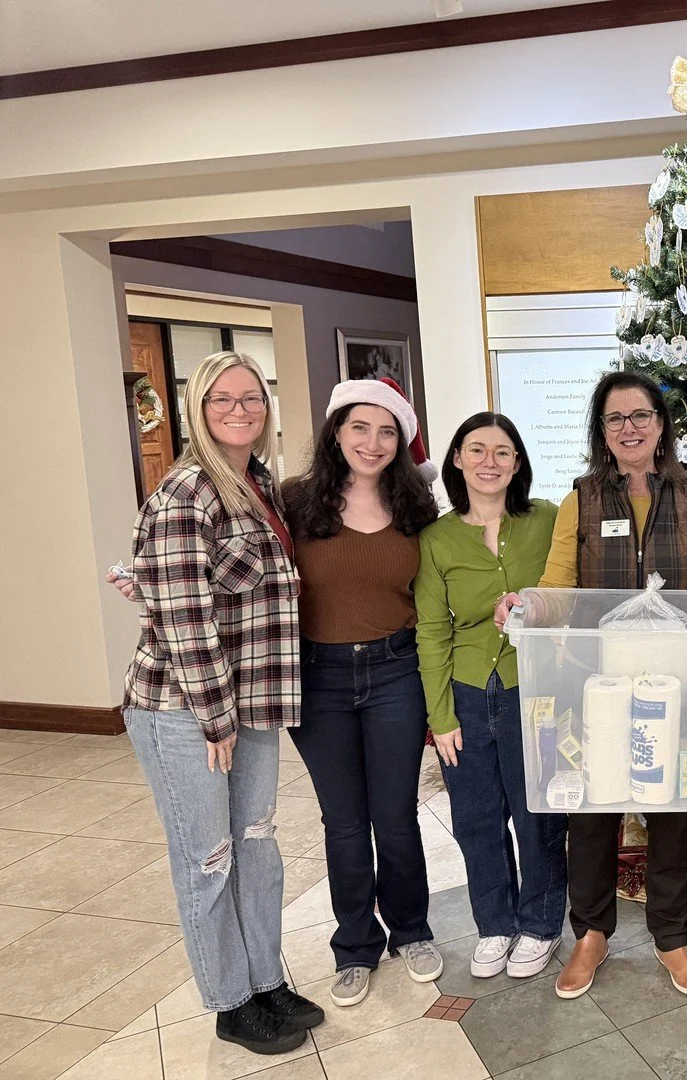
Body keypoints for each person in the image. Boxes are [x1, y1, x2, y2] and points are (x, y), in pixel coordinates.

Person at [497, 371, 687, 999]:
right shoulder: (581, 499)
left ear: (660, 424)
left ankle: (671, 935)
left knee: (671, 810)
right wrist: (528, 606)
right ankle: (592, 934)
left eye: (640, 415)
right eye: (615, 418)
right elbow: (558, 586)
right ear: (602, 431)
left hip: (673, 679)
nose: (629, 428)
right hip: (593, 679)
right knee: (593, 811)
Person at [120, 351, 324, 1055]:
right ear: (197, 410)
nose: (240, 410)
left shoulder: (258, 483)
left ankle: (266, 980)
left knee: (256, 848)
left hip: (252, 703)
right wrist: (215, 718)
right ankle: (231, 1003)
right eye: (222, 400)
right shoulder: (184, 494)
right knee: (209, 860)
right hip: (186, 712)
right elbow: (185, 620)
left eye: (252, 398)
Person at [282, 378, 444, 1007]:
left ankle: (412, 929)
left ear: (401, 442)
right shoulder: (295, 502)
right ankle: (354, 945)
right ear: (336, 432)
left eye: (386, 432)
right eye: (359, 427)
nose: (372, 443)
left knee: (396, 816)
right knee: (345, 823)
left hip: (395, 673)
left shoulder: (417, 507)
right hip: (318, 678)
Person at [415, 412, 568, 981]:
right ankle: (494, 924)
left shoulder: (547, 519)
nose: (489, 461)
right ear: (457, 459)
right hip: (468, 691)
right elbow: (431, 632)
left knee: (537, 814)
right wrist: (441, 717)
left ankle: (541, 924)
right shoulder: (436, 539)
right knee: (477, 817)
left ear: (518, 462)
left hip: (538, 687)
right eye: (476, 449)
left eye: (502, 451)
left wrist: (536, 604)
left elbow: (572, 591)